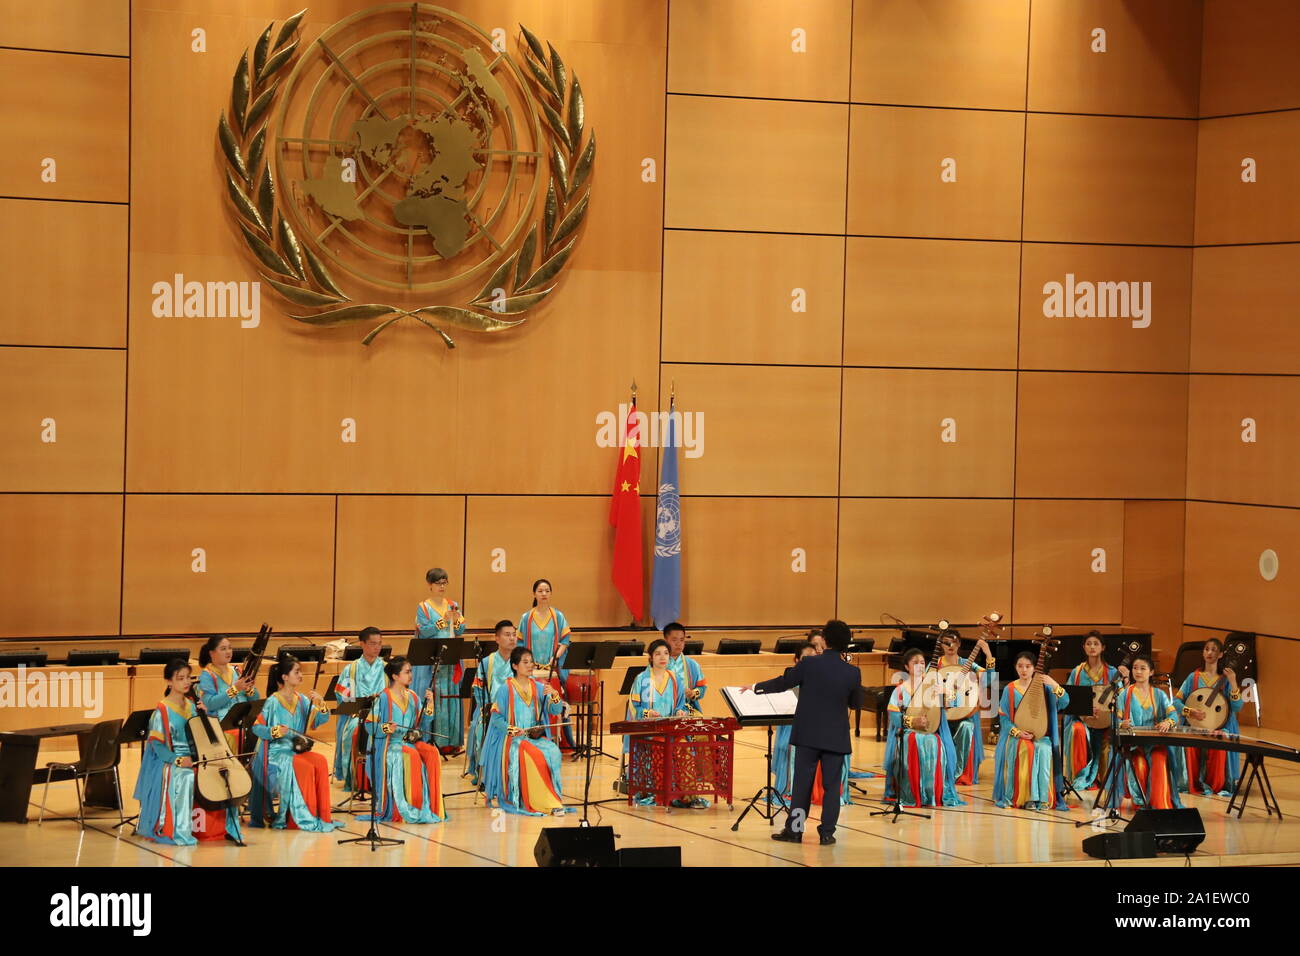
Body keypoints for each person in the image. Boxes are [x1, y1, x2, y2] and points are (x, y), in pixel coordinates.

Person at [748, 619, 863, 846]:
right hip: (836, 737)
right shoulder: (853, 672)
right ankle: (827, 833)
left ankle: (796, 831)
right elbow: (856, 704)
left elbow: (784, 682)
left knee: (802, 786)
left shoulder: (810, 664)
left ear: (826, 640)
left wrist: (756, 687)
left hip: (808, 735)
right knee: (832, 788)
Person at [134, 658, 242, 846]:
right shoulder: (161, 711)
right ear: (169, 682)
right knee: (186, 777)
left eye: (188, 678)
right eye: (180, 678)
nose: (186, 682)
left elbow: (203, 735)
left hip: (196, 756)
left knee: (224, 773)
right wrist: (177, 760)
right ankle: (180, 832)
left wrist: (207, 714)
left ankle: (228, 829)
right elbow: (158, 746)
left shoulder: (193, 705)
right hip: (170, 760)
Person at [248, 654, 340, 831]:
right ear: (284, 677)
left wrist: (321, 704)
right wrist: (274, 731)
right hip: (277, 751)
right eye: (296, 672)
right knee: (298, 765)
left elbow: (317, 721)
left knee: (320, 760)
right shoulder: (272, 701)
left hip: (297, 748)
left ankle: (317, 813)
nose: (300, 675)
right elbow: (256, 728)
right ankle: (295, 815)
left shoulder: (302, 700)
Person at [480, 647, 571, 816]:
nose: (530, 665)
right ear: (515, 666)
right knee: (533, 754)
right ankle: (538, 801)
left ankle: (552, 798)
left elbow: (554, 710)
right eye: (525, 662)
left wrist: (554, 695)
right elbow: (496, 718)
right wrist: (512, 729)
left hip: (533, 736)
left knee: (553, 751)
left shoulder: (538, 687)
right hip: (513, 739)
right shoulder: (505, 689)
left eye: (531, 662)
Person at [362, 656, 447, 824]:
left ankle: (431, 806)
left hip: (409, 741)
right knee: (412, 754)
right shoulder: (383, 698)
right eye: (407, 672)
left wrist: (429, 705)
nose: (410, 675)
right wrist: (386, 728)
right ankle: (409, 805)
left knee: (432, 752)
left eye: (411, 671)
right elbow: (368, 725)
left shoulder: (413, 697)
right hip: (390, 745)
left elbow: (421, 723)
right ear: (395, 676)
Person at [772, 642, 851, 810]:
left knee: (806, 789)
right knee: (826, 788)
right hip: (819, 736)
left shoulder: (824, 675)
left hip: (810, 738)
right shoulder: (849, 672)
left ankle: (796, 829)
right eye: (806, 658)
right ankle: (827, 833)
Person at [884, 648, 964, 809]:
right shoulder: (900, 691)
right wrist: (913, 722)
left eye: (922, 663)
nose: (920, 666)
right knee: (916, 739)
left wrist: (947, 694)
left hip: (932, 732)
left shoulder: (933, 687)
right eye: (915, 663)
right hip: (908, 733)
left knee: (934, 741)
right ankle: (913, 791)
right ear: (907, 667)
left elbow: (955, 702)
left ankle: (931, 792)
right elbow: (894, 717)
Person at [991, 651, 1069, 810]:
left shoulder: (1045, 688)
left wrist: (1055, 685)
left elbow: (1065, 702)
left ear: (1034, 668)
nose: (1024, 670)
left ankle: (1043, 799)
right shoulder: (1010, 689)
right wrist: (1017, 732)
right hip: (1017, 737)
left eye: (1028, 666)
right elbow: (1004, 718)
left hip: (1040, 735)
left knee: (1044, 748)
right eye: (1020, 666)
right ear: (1015, 668)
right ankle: (1026, 798)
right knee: (1026, 748)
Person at [1175, 637, 1243, 796]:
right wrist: (1190, 712)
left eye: (1214, 650)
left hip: (1219, 726)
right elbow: (1176, 701)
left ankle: (1216, 785)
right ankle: (1191, 783)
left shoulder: (1225, 679)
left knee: (1218, 744)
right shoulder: (1194, 677)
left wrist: (1233, 683)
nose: (1209, 652)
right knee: (1190, 744)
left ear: (1221, 655)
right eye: (1207, 649)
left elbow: (1237, 707)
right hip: (1195, 725)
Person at [1113, 654, 1183, 810]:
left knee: (1159, 760)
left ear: (1151, 672)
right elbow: (1115, 721)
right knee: (1138, 764)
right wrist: (1121, 724)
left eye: (1143, 668)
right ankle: (1141, 805)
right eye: (1135, 668)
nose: (1138, 672)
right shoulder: (1124, 694)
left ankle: (1160, 805)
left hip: (1154, 743)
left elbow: (1173, 715)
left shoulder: (1159, 694)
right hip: (1133, 745)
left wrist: (1168, 722)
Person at [626, 639, 690, 806]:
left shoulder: (675, 679)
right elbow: (634, 707)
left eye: (666, 653)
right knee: (661, 747)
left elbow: (680, 704)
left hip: (670, 730)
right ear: (651, 657)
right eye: (658, 653)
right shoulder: (643, 679)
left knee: (684, 747)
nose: (663, 657)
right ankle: (661, 792)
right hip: (649, 731)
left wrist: (680, 711)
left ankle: (683, 793)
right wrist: (647, 713)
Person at [1061, 631, 1125, 791]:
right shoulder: (1077, 672)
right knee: (1077, 730)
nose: (1092, 647)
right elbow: (1069, 698)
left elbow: (1122, 698)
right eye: (1088, 643)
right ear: (1083, 647)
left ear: (1103, 647)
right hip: (1082, 719)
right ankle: (1079, 776)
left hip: (1105, 721)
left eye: (1096, 643)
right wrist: (1086, 710)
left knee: (1111, 736)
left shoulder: (1112, 672)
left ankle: (1105, 777)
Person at [415, 567, 467, 754]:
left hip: (450, 658)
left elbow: (461, 630)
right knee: (433, 696)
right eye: (438, 583)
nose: (442, 586)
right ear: (430, 585)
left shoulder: (453, 604)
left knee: (450, 695)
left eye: (445, 582)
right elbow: (424, 631)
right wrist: (443, 621)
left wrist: (458, 621)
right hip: (432, 659)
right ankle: (431, 739)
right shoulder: (423, 607)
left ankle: (451, 741)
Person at [518, 578, 575, 747]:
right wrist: (529, 662)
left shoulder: (558, 616)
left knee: (554, 705)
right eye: (540, 591)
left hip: (552, 671)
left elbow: (565, 641)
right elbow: (520, 645)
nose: (544, 594)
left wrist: (555, 657)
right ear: (534, 593)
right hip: (531, 672)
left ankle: (556, 741)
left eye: (547, 591)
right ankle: (530, 739)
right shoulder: (526, 618)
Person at [937, 629, 994, 785]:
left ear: (959, 644)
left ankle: (960, 773)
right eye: (947, 642)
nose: (950, 645)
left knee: (967, 727)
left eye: (954, 642)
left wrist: (987, 653)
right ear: (941, 645)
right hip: (942, 714)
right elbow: (926, 686)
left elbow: (988, 679)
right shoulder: (936, 664)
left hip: (963, 713)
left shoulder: (966, 664)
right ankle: (941, 771)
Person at [334, 626, 388, 791]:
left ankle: (382, 777)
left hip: (383, 715)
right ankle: (357, 778)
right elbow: (345, 698)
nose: (377, 647)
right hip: (358, 715)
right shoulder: (352, 669)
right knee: (353, 731)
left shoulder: (387, 668)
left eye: (379, 644)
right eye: (372, 643)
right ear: (362, 644)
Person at [466, 620, 518, 785]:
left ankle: (515, 771)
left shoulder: (520, 661)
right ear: (497, 638)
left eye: (514, 635)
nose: (512, 638)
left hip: (515, 709)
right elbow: (478, 690)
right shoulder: (487, 662)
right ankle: (484, 773)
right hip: (490, 709)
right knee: (479, 727)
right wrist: (487, 708)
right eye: (507, 635)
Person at [196, 635, 259, 759]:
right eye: (223, 648)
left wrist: (249, 690)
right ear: (212, 653)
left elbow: (256, 699)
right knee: (236, 736)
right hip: (223, 724)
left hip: (245, 720)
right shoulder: (207, 675)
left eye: (230, 648)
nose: (228, 651)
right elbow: (209, 703)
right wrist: (235, 689)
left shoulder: (238, 671)